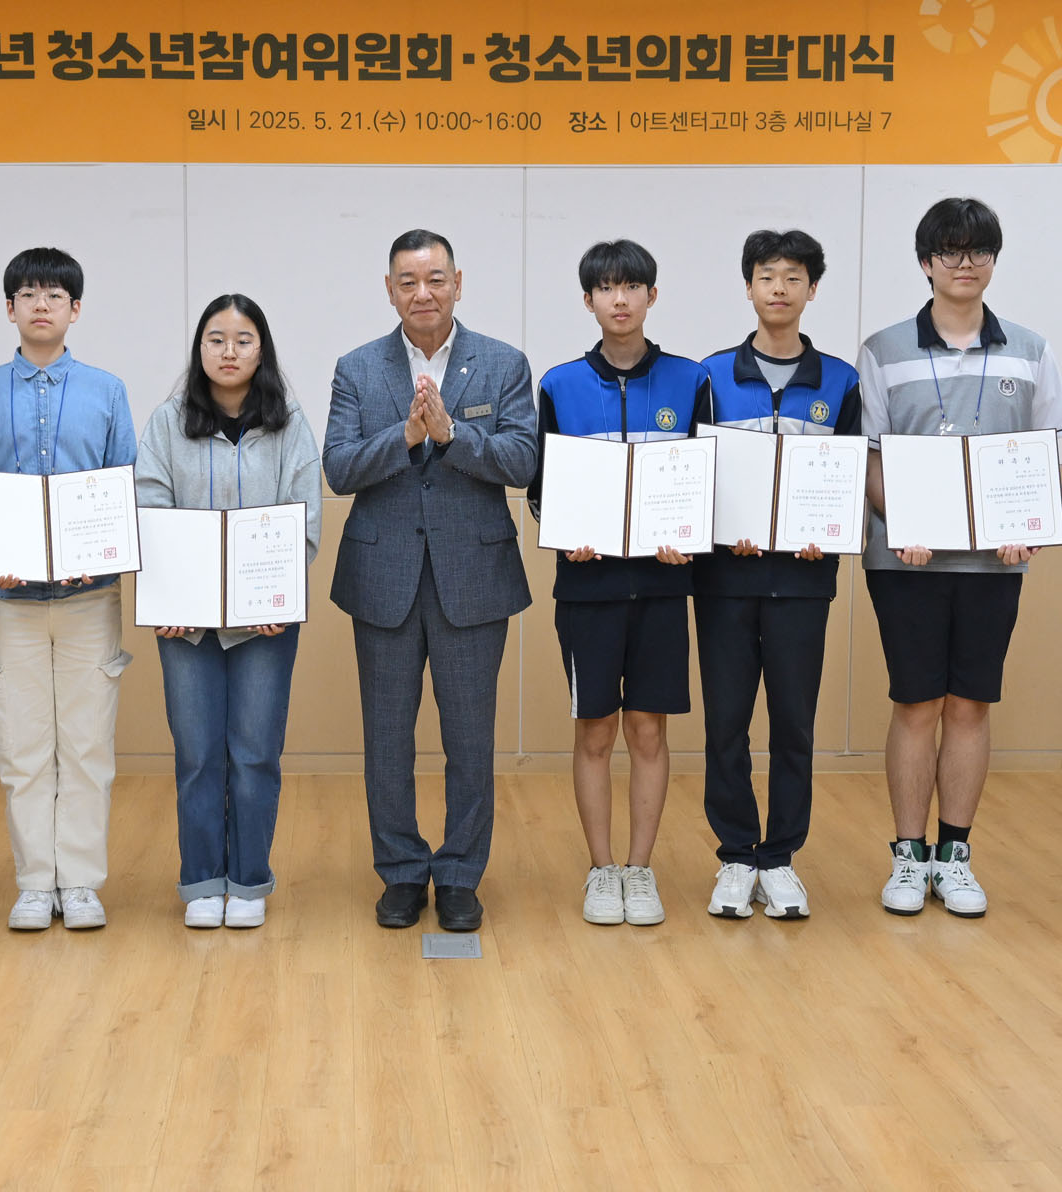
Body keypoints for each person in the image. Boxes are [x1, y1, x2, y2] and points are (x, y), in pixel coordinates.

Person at [858, 197, 1062, 918]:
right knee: (916, 703)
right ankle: (908, 855)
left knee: (971, 704)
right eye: (949, 251)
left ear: (993, 260)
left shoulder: (1030, 350)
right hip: (906, 562)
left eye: (979, 250)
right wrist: (901, 522)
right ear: (926, 262)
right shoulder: (883, 349)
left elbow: (1040, 456)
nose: (965, 263)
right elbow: (870, 459)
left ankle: (954, 856)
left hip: (994, 563)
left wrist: (1028, 527)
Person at [325, 228, 538, 934]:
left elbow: (522, 460)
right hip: (382, 575)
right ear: (390, 291)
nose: (423, 292)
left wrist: (451, 436)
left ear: (458, 284)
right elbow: (339, 468)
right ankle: (400, 871)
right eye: (408, 281)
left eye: (435, 279)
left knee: (470, 740)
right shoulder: (358, 368)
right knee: (387, 738)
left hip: (473, 576)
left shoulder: (502, 364)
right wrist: (408, 437)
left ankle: (459, 875)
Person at [0, 247, 138, 933]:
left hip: (90, 597)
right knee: (22, 747)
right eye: (28, 294)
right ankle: (36, 882)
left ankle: (81, 881)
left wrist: (104, 552)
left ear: (75, 309)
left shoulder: (108, 390)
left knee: (87, 746)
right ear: (10, 308)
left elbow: (123, 483)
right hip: (9, 601)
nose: (41, 304)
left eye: (55, 295)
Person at [529, 239, 707, 928]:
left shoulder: (690, 380)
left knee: (649, 731)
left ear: (651, 296)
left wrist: (687, 535)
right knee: (596, 730)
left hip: (662, 588)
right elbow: (541, 492)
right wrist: (565, 532)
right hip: (588, 590)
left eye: (632, 287)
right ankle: (602, 869)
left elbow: (704, 482)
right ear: (589, 301)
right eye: (606, 288)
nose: (620, 299)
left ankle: (640, 867)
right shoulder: (560, 385)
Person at [135, 294, 321, 930]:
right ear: (200, 349)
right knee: (197, 755)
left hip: (264, 624)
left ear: (261, 350)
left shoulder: (289, 424)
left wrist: (280, 595)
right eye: (216, 339)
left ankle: (247, 881)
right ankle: (201, 882)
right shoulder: (167, 423)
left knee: (255, 753)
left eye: (243, 340)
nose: (230, 351)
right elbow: (150, 511)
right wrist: (169, 598)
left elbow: (305, 518)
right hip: (184, 624)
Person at [694, 230, 862, 921]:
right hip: (724, 581)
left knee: (794, 722)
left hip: (802, 581)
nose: (780, 289)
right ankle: (737, 855)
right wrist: (714, 525)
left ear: (812, 290)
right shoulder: (709, 376)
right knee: (727, 722)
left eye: (794, 277)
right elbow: (693, 476)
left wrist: (829, 533)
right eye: (767, 276)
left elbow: (849, 478)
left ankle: (782, 857)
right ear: (748, 287)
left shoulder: (841, 381)